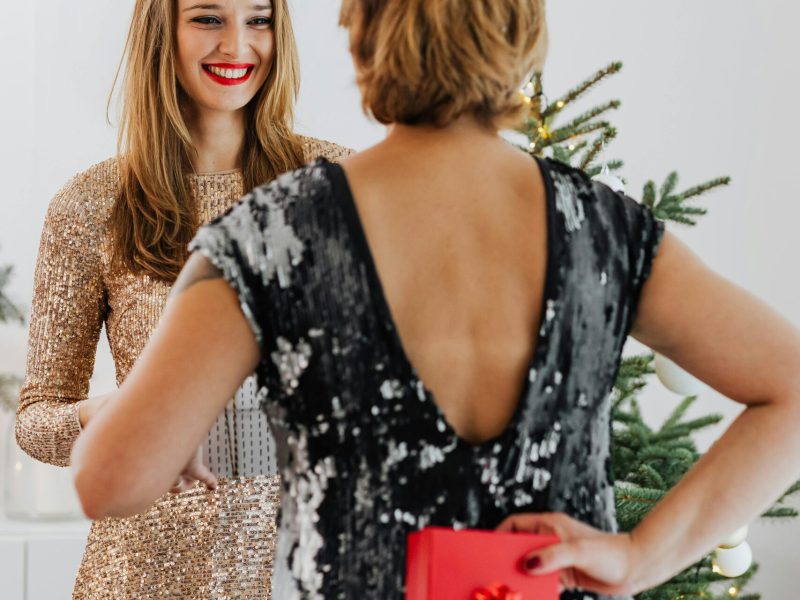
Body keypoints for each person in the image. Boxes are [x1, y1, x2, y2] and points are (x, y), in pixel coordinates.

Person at [71, 0, 800, 598]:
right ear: (522, 31)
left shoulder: (271, 237)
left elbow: (110, 481)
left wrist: (167, 405)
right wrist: (640, 557)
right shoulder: (605, 230)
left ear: (364, 29)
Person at [16, 0, 350, 596]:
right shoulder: (94, 203)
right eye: (207, 18)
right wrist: (109, 417)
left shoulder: (334, 185)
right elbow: (37, 419)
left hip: (302, 573)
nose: (238, 45)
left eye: (258, 19)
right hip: (137, 575)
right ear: (160, 31)